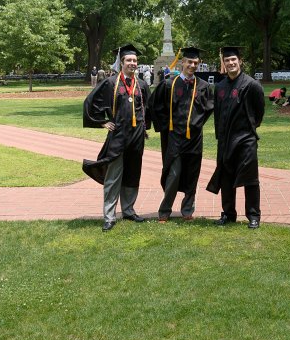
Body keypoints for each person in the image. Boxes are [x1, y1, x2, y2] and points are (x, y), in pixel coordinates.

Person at [82, 44, 151, 232]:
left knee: (132, 173)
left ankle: (128, 210)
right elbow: (90, 101)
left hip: (136, 137)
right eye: (129, 60)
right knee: (113, 176)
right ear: (122, 62)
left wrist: (145, 127)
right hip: (118, 136)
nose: (132, 63)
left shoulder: (142, 85)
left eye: (135, 60)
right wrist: (102, 122)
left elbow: (147, 109)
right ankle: (109, 216)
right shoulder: (111, 83)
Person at [150, 46, 214, 223]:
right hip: (175, 138)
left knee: (193, 174)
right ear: (182, 63)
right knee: (174, 174)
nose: (192, 65)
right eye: (189, 62)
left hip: (194, 138)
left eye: (195, 62)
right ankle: (164, 210)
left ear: (198, 64)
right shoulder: (169, 84)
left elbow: (208, 108)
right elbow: (156, 105)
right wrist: (166, 127)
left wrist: (197, 123)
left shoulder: (204, 86)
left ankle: (187, 209)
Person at [206, 46, 265, 229]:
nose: (231, 63)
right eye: (227, 60)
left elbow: (259, 112)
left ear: (240, 61)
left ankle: (253, 215)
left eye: (234, 60)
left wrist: (249, 129)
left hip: (245, 138)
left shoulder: (251, 85)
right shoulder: (220, 87)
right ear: (223, 63)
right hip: (225, 140)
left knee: (250, 178)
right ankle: (228, 214)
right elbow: (217, 114)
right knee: (226, 178)